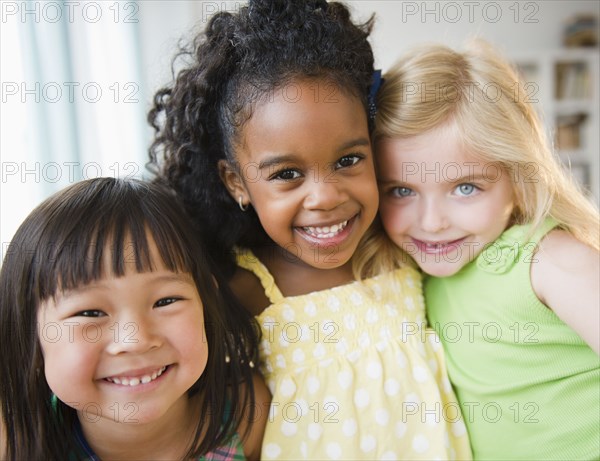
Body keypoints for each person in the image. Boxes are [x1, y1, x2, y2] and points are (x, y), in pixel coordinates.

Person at [148, 1, 472, 459]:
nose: (324, 196)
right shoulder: (239, 288)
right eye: (286, 175)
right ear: (236, 181)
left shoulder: (400, 246)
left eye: (347, 161)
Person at [369, 40, 600, 460]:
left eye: (465, 187)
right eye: (402, 190)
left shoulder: (548, 260)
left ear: (517, 177)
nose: (432, 222)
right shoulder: (410, 276)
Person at [0, 177, 270, 460]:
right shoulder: (15, 440)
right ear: (28, 329)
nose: (135, 339)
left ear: (206, 302)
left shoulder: (244, 415)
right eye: (90, 313)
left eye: (165, 301)